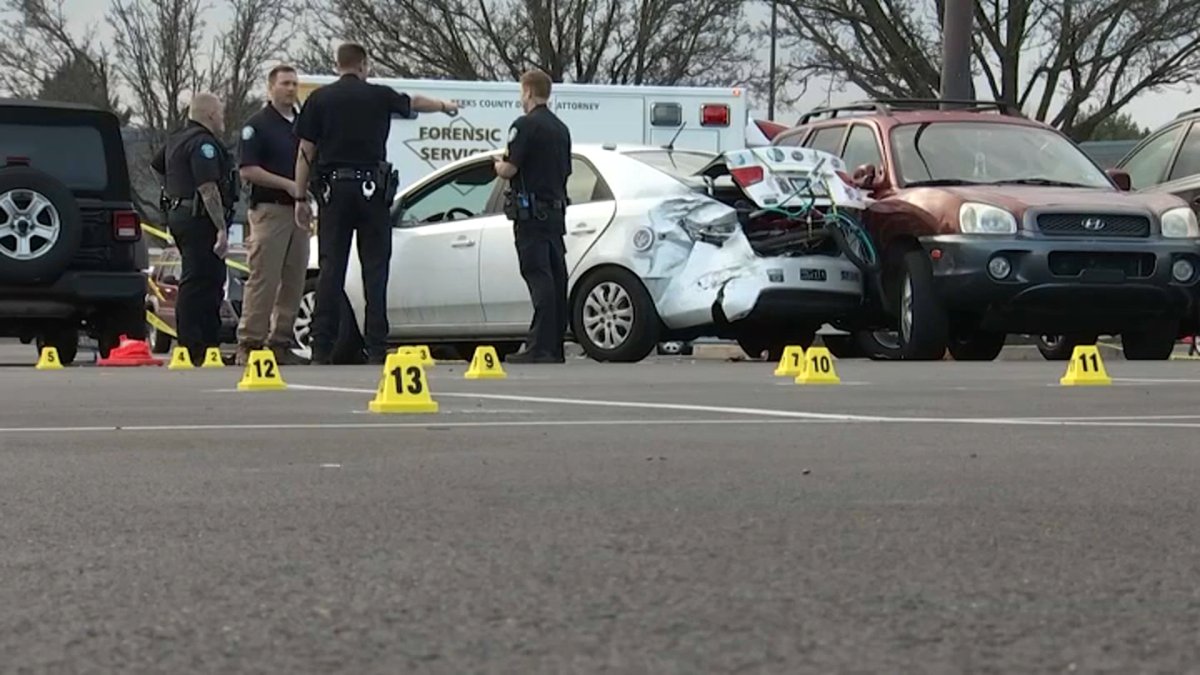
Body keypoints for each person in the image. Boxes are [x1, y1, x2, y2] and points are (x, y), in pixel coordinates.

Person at [292, 42, 459, 364]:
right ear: (364, 65)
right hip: (372, 191)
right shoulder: (379, 95)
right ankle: (377, 346)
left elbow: (304, 152)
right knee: (375, 270)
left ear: (337, 65)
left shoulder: (319, 99)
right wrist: (444, 105)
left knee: (331, 269)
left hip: (334, 192)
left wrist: (300, 197)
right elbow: (415, 102)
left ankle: (322, 347)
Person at [493, 69, 572, 364]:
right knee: (555, 277)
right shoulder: (561, 128)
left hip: (531, 215)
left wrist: (498, 165)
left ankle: (538, 346)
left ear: (527, 91)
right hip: (555, 213)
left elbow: (510, 169)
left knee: (538, 276)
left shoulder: (524, 126)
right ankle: (554, 346)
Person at [151, 92, 236, 366]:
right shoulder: (203, 145)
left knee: (205, 278)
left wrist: (173, 190)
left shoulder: (177, 139)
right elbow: (208, 188)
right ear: (210, 115)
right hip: (200, 220)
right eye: (220, 113)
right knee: (201, 281)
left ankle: (203, 344)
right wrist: (221, 229)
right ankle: (195, 345)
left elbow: (157, 166)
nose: (223, 118)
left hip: (181, 215)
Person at [234, 64, 308, 366]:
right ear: (270, 88)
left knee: (294, 278)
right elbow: (248, 169)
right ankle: (250, 342)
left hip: (300, 211)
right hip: (270, 209)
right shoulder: (258, 125)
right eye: (285, 84)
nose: (290, 89)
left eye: (294, 84)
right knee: (264, 277)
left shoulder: (303, 125)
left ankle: (281, 341)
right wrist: (289, 185)